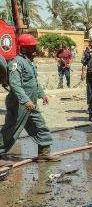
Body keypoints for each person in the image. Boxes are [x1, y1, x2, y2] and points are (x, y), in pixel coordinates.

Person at [0, 34, 59, 168]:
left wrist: (42, 94)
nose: (35, 48)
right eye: (31, 47)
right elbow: (15, 85)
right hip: (19, 104)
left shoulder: (29, 62)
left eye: (34, 46)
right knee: (12, 129)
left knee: (40, 125)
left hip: (30, 103)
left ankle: (44, 152)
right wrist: (25, 100)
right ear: (24, 48)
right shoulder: (16, 62)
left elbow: (33, 82)